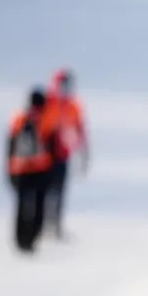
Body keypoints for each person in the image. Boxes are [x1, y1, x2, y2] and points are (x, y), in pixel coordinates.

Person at [6, 88, 59, 253]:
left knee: (22, 206)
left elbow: (10, 146)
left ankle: (20, 239)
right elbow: (53, 149)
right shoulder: (47, 120)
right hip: (40, 170)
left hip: (20, 169)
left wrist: (10, 171)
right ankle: (32, 239)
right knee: (38, 206)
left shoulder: (18, 119)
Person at [40, 67, 89, 238]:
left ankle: (55, 226)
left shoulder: (73, 106)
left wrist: (84, 153)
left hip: (62, 154)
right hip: (44, 155)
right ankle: (41, 225)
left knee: (59, 191)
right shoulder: (46, 103)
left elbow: (80, 129)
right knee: (44, 191)